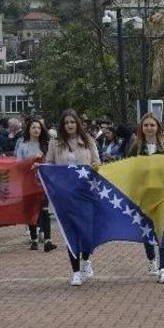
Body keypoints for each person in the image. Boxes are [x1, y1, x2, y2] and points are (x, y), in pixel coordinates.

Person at [46, 109, 101, 286]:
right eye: (66, 123)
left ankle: (86, 260)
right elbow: (50, 163)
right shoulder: (55, 143)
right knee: (70, 232)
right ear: (62, 125)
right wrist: (41, 169)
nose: (69, 125)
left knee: (86, 231)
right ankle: (75, 271)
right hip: (64, 194)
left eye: (72, 122)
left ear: (77, 123)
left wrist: (94, 167)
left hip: (85, 193)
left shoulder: (88, 141)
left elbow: (97, 163)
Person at [127, 113, 164, 282]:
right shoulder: (136, 148)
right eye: (146, 125)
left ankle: (163, 268)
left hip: (163, 195)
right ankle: (151, 260)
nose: (149, 128)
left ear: (158, 127)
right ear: (141, 128)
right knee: (147, 230)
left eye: (152, 125)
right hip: (144, 196)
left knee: (163, 232)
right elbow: (128, 169)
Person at [14, 118, 56, 253]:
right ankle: (34, 239)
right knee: (31, 211)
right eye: (34, 128)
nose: (37, 130)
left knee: (44, 210)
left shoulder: (47, 145)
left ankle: (48, 240)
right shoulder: (23, 145)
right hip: (28, 182)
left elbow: (52, 162)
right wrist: (31, 161)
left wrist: (41, 164)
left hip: (43, 182)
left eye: (39, 127)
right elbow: (19, 165)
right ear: (29, 130)